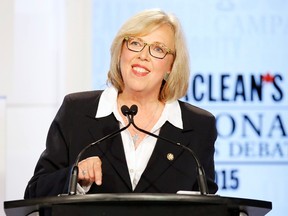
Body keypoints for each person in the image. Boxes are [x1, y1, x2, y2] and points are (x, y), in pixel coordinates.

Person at [24, 8, 218, 198]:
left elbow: (207, 204)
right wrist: (75, 176)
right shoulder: (76, 111)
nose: (143, 55)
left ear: (171, 66)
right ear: (120, 52)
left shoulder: (198, 125)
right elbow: (35, 192)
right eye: (135, 43)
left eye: (158, 49)